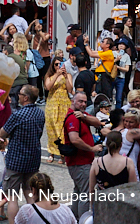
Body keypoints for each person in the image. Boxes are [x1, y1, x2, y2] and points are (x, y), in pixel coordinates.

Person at [0, 85, 46, 224]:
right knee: (30, 193)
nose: (17, 95)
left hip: (16, 160)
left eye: (20, 94)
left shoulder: (18, 115)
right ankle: (34, 220)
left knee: (12, 197)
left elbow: (3, 133)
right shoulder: (40, 113)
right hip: (33, 158)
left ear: (26, 97)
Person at [61, 91, 100, 221]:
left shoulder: (80, 115)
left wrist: (84, 116)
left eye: (85, 101)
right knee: (85, 194)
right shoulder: (72, 118)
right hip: (80, 162)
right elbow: (75, 140)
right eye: (80, 101)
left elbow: (98, 122)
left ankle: (74, 219)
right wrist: (92, 148)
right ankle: (81, 220)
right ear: (73, 101)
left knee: (78, 192)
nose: (83, 104)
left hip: (82, 162)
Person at [44, 56, 73, 164]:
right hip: (52, 104)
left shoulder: (68, 75)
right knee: (52, 129)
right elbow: (48, 87)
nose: (58, 66)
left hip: (64, 104)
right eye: (56, 64)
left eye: (60, 64)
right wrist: (57, 74)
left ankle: (62, 153)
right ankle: (51, 152)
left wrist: (65, 77)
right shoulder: (49, 76)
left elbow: (70, 89)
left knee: (62, 129)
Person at [9, 34, 31, 109]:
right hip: (23, 77)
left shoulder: (14, 53)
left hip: (15, 79)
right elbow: (26, 66)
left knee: (13, 100)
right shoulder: (25, 52)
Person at [112, 40, 131, 108]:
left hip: (121, 78)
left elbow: (127, 69)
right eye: (119, 44)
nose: (121, 46)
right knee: (109, 96)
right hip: (112, 77)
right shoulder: (112, 53)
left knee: (119, 98)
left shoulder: (126, 56)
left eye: (123, 45)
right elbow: (108, 64)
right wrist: (116, 60)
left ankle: (118, 112)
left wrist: (118, 67)